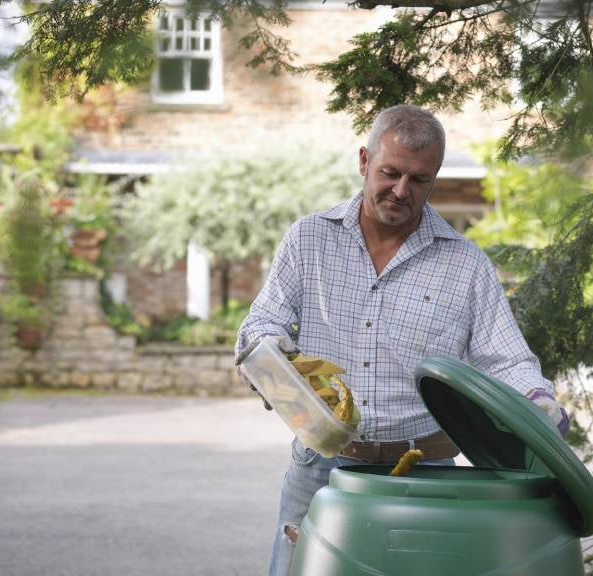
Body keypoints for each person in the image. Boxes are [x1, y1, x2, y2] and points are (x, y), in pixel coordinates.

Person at [234, 104, 569, 576]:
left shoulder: (465, 265)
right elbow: (263, 321)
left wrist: (538, 400)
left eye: (419, 180)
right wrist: (275, 363)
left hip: (428, 475)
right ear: (364, 161)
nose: (401, 190)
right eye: (390, 173)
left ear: (434, 178)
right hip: (321, 468)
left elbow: (505, 358)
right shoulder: (308, 240)